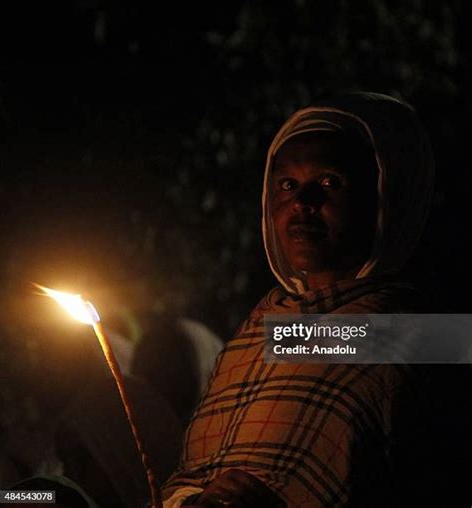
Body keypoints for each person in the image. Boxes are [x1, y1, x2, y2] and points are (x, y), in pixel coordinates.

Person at [160, 92, 468, 507]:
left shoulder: (431, 340)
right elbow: (189, 475)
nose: (303, 204)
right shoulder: (257, 338)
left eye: (329, 183)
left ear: (384, 198)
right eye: (287, 185)